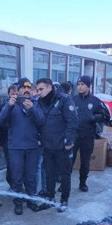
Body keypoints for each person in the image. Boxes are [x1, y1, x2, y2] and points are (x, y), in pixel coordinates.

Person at [0, 77, 46, 215]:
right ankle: (18, 203)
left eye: (28, 88)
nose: (26, 90)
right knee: (17, 178)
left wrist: (32, 110)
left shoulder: (36, 104)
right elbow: (0, 120)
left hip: (32, 147)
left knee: (31, 177)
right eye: (23, 88)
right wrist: (9, 105)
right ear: (17, 90)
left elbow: (42, 121)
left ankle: (31, 201)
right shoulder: (11, 104)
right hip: (15, 148)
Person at [36, 78, 78, 212]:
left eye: (41, 89)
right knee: (49, 174)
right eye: (37, 90)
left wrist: (69, 141)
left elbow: (73, 121)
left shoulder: (64, 100)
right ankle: (50, 198)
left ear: (49, 87)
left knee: (64, 175)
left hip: (62, 146)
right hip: (47, 145)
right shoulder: (40, 102)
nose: (39, 92)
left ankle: (64, 200)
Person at [71, 75, 108, 191]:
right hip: (73, 136)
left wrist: (94, 117)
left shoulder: (95, 101)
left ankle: (83, 183)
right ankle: (64, 184)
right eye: (78, 85)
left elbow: (105, 115)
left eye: (82, 85)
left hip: (87, 136)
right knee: (69, 161)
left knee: (85, 161)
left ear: (88, 86)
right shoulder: (72, 100)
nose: (80, 87)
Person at [0, 84, 17, 186]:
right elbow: (0, 123)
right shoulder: (4, 106)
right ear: (9, 95)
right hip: (7, 140)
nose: (14, 96)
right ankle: (12, 183)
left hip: (18, 141)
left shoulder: (22, 105)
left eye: (16, 94)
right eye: (12, 94)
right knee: (10, 164)